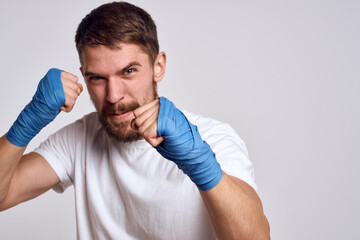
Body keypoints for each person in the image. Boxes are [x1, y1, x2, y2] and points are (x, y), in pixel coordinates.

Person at [0, 2, 270, 239]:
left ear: (158, 66)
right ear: (84, 76)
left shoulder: (214, 138)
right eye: (97, 78)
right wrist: (28, 122)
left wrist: (201, 164)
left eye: (128, 71)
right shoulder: (80, 138)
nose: (114, 96)